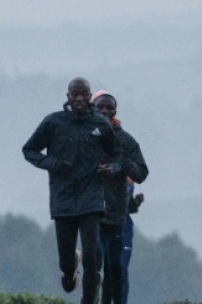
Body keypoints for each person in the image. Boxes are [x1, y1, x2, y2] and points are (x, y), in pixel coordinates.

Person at [23, 77, 121, 304]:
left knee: (92, 259)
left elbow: (116, 155)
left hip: (92, 200)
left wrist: (112, 167)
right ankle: (69, 271)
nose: (79, 98)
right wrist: (54, 164)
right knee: (66, 262)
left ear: (89, 97)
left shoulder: (101, 125)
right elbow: (29, 150)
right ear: (67, 96)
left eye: (83, 94)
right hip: (63, 200)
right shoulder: (53, 123)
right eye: (74, 94)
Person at [91, 90, 149, 304]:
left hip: (117, 219)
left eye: (109, 107)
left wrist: (121, 162)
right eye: (100, 107)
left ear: (115, 111)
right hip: (90, 214)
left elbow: (141, 174)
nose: (105, 111)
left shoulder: (125, 140)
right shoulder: (83, 135)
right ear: (92, 109)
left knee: (116, 270)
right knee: (93, 265)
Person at [121, 179, 144, 304]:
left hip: (124, 228)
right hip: (104, 228)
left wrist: (135, 203)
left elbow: (126, 207)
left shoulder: (129, 176)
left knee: (122, 268)